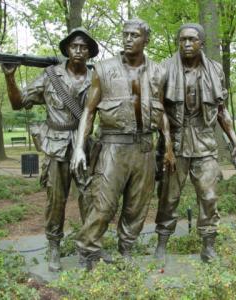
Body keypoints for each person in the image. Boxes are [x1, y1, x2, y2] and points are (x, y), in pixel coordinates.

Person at [72, 18, 175, 269]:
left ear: (145, 40)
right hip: (113, 146)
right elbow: (89, 110)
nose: (128, 39)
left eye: (134, 35)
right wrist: (79, 148)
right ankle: (88, 250)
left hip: (144, 147)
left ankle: (125, 249)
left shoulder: (159, 71)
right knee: (103, 203)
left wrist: (169, 146)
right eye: (125, 34)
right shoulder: (104, 69)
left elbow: (161, 113)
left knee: (137, 205)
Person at [2, 27, 99, 272]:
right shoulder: (50, 76)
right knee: (56, 200)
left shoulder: (96, 77)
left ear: (89, 52)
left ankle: (88, 247)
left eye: (83, 46)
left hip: (84, 146)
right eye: (74, 46)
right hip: (55, 146)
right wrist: (10, 78)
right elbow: (18, 103)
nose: (78, 50)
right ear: (67, 49)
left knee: (89, 199)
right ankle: (54, 247)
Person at [154, 23, 236, 263]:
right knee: (169, 197)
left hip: (204, 141)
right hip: (176, 140)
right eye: (182, 40)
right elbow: (159, 110)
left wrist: (235, 141)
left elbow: (222, 110)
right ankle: (162, 243)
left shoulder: (215, 70)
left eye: (192, 39)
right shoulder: (164, 69)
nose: (186, 44)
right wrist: (168, 147)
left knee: (209, 194)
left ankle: (208, 245)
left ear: (201, 43)